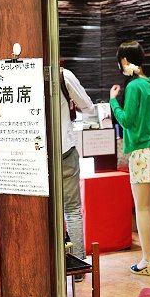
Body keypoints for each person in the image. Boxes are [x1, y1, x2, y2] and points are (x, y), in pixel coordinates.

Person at [108, 40, 150, 276]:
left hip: (141, 153)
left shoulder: (134, 87)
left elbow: (126, 120)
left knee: (141, 209)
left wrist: (112, 102)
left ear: (125, 61)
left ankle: (147, 259)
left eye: (121, 60)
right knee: (149, 207)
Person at [59, 67, 95, 266]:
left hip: (35, 158)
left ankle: (50, 264)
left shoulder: (20, 74)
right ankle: (78, 264)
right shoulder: (63, 75)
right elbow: (88, 106)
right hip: (64, 150)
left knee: (42, 211)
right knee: (71, 210)